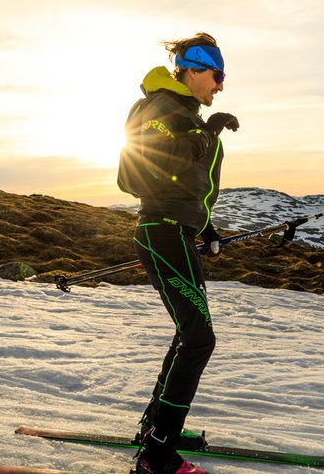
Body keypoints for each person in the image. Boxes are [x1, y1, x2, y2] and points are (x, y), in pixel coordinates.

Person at [117, 32, 239, 474]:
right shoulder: (161, 108)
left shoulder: (184, 114)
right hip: (162, 232)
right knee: (199, 339)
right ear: (194, 68)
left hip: (177, 232)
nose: (221, 85)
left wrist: (206, 229)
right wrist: (199, 137)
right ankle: (157, 455)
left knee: (189, 334)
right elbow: (135, 177)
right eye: (217, 75)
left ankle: (157, 429)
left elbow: (186, 187)